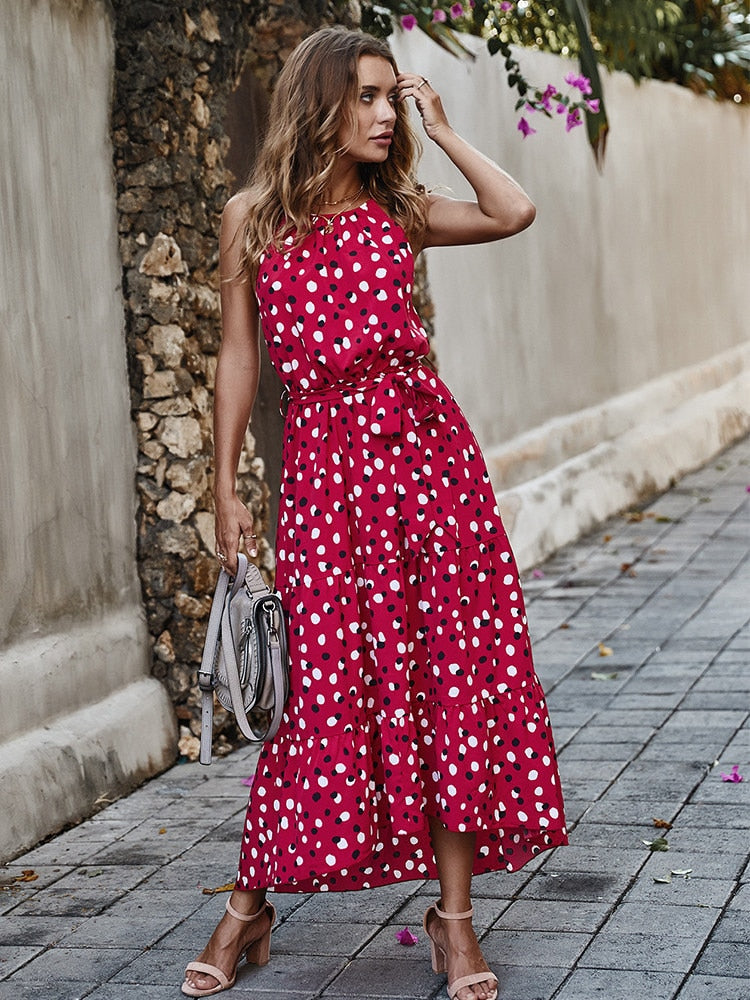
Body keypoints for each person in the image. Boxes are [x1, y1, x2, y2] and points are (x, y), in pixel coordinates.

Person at [182, 25, 567, 1000]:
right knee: (319, 702)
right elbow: (239, 358)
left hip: (429, 478)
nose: (385, 111)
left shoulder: (397, 210)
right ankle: (249, 905)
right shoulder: (251, 220)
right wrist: (226, 485)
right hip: (323, 495)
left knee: (445, 692)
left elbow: (513, 208)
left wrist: (441, 129)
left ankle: (455, 922)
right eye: (367, 96)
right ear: (318, 102)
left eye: (390, 97)